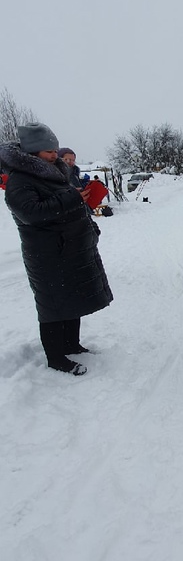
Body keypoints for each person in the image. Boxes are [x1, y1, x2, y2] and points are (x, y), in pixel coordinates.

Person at [0, 123, 113, 376]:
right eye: (48, 151)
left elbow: (64, 204)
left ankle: (72, 344)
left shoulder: (54, 172)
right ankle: (55, 357)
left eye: (54, 150)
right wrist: (72, 198)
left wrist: (88, 223)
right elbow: (31, 213)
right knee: (52, 306)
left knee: (72, 298)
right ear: (32, 152)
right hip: (47, 253)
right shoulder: (20, 179)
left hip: (69, 248)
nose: (55, 155)